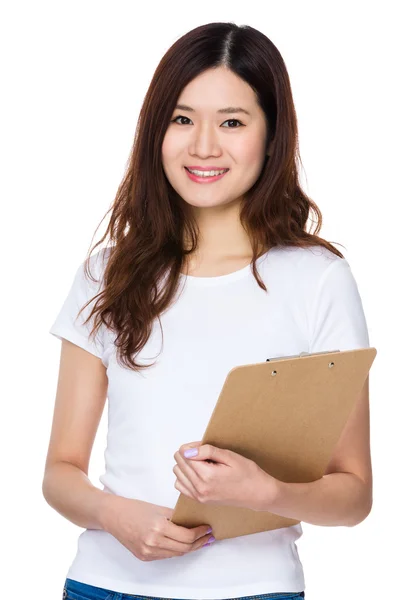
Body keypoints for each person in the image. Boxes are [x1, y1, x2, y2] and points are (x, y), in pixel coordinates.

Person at [43, 21, 373, 600]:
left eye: (232, 122)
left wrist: (266, 493)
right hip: (104, 586)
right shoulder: (107, 271)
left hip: (255, 589)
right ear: (157, 131)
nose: (203, 146)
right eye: (182, 118)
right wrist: (115, 515)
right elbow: (59, 473)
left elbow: (353, 495)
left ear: (272, 137)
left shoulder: (318, 279)